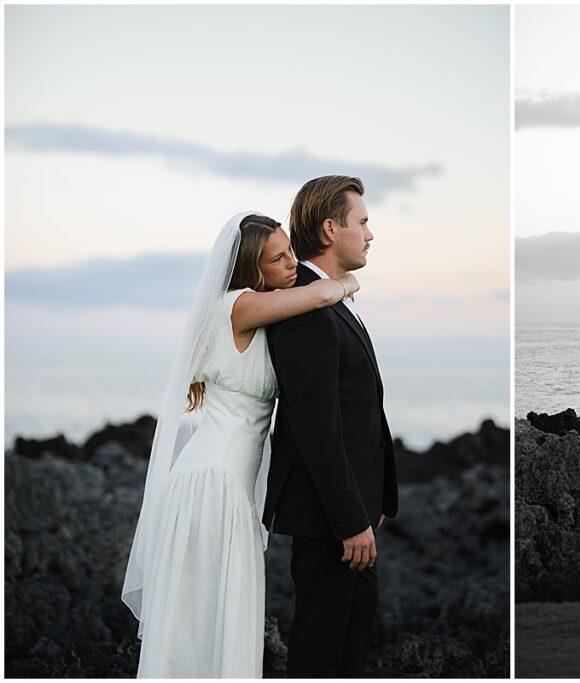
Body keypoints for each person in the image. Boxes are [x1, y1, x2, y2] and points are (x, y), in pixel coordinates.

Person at [122, 211, 359, 677]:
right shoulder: (239, 305)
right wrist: (349, 282)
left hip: (226, 483)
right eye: (278, 258)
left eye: (290, 249)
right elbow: (323, 293)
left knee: (209, 615)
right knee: (199, 619)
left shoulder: (253, 310)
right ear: (252, 269)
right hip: (214, 484)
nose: (291, 263)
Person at [262, 175, 399, 677]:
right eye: (362, 222)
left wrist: (376, 498)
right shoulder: (304, 304)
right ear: (329, 228)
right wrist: (350, 522)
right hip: (328, 523)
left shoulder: (324, 296)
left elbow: (357, 409)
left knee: (349, 649)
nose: (369, 234)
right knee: (321, 654)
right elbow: (314, 424)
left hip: (350, 515)